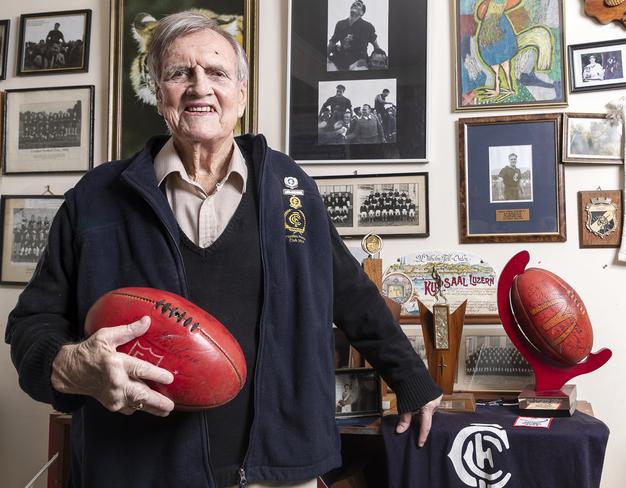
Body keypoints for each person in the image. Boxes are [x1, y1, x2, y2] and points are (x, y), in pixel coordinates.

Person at [5, 11, 442, 488]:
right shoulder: (95, 198)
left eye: (216, 72)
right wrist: (70, 366)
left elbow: (350, 292)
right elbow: (32, 325)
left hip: (279, 470)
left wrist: (411, 380)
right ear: (157, 93)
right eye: (179, 73)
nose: (199, 87)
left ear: (242, 92)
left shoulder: (289, 188)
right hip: (136, 469)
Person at [327, 1, 382, 71]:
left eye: (358, 5)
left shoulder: (368, 26)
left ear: (362, 12)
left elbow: (376, 46)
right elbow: (332, 43)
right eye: (353, 4)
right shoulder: (340, 24)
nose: (354, 4)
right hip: (341, 60)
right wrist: (324, 57)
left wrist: (377, 63)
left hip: (359, 62)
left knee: (358, 70)